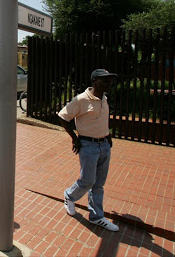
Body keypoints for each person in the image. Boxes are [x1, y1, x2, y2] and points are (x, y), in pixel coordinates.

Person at [58, 69, 119, 232]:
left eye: (110, 80)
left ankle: (96, 216)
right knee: (88, 180)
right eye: (105, 80)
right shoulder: (82, 99)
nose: (109, 83)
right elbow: (63, 116)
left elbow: (102, 119)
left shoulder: (104, 98)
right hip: (88, 146)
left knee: (99, 184)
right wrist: (75, 138)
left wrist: (108, 135)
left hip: (104, 145)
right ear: (95, 81)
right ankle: (69, 196)